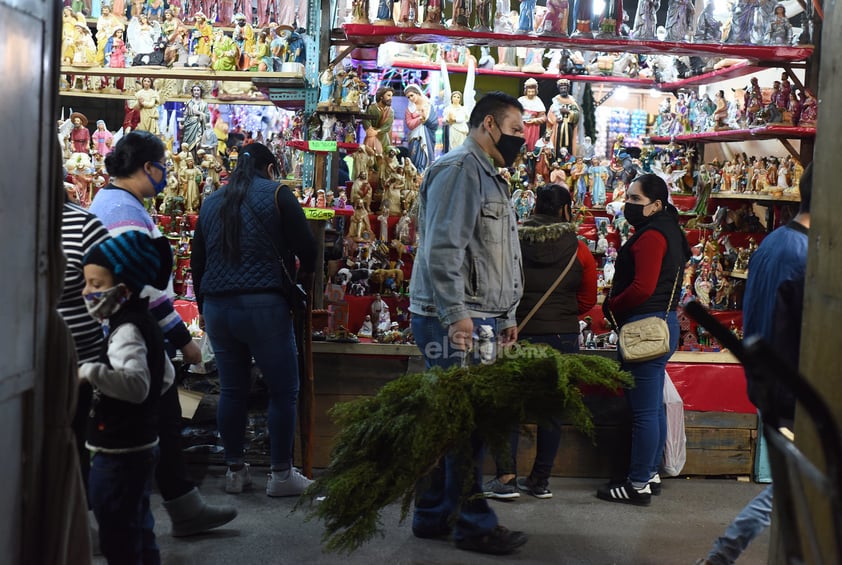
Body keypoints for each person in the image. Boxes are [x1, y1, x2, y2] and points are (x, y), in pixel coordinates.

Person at [89, 130, 237, 536]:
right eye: (164, 168)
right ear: (148, 167)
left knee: (164, 419)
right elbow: (144, 288)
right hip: (130, 334)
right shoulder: (123, 213)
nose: (167, 176)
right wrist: (184, 341)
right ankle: (116, 523)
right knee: (136, 430)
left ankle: (180, 506)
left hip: (129, 333)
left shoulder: (115, 203)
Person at [409, 91, 528, 555]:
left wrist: (507, 315)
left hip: (483, 316)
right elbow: (443, 250)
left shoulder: (491, 176)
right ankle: (474, 522)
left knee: (454, 422)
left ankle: (434, 513)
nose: (523, 139)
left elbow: (500, 255)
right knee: (465, 424)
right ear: (488, 126)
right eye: (516, 129)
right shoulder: (460, 171)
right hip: (455, 318)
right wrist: (457, 315)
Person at [697, 163, 812, 565]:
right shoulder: (805, 252)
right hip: (790, 386)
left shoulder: (775, 242)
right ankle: (721, 555)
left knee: (793, 484)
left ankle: (722, 555)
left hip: (771, 378)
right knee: (792, 483)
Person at [190, 142, 317, 497]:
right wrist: (301, 279)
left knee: (232, 390)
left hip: (218, 307)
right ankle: (280, 475)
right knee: (283, 389)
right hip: (264, 306)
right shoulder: (278, 194)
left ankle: (235, 471)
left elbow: (197, 263)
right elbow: (308, 248)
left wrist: (203, 306)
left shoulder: (212, 201)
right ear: (272, 168)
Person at [483, 184, 597, 500]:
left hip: (518, 332)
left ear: (534, 207)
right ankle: (540, 480)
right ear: (565, 210)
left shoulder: (515, 240)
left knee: (510, 406)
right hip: (563, 336)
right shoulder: (580, 250)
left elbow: (499, 285)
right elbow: (587, 300)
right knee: (551, 408)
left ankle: (506, 477)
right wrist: (561, 314)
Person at [79, 230, 176, 564]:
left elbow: (136, 386)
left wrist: (93, 374)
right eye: (87, 283)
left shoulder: (125, 331)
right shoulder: (144, 321)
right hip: (143, 445)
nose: (87, 292)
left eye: (96, 284)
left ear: (125, 287)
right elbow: (165, 377)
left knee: (117, 530)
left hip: (118, 450)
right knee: (139, 525)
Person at [598, 173, 690, 506]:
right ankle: (649, 474)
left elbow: (643, 288)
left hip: (645, 327)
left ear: (656, 205)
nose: (628, 205)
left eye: (635, 200)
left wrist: (612, 306)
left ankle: (637, 483)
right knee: (652, 408)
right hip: (658, 324)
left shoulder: (653, 236)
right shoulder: (668, 230)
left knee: (644, 411)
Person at [404, 84, 438, 173]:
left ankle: (424, 172)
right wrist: (420, 119)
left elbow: (434, 123)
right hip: (414, 136)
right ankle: (416, 173)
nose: (410, 98)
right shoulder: (409, 109)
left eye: (412, 95)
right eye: (408, 97)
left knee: (425, 154)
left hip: (427, 135)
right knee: (414, 155)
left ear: (417, 93)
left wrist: (426, 119)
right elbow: (409, 124)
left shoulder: (429, 105)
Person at [547, 78, 580, 158]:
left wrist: (568, 112)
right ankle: (558, 158)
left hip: (569, 127)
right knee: (558, 142)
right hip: (558, 127)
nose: (563, 90)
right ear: (559, 89)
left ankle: (568, 159)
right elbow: (549, 117)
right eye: (561, 88)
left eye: (565, 88)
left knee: (569, 143)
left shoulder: (572, 102)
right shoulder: (555, 102)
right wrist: (555, 120)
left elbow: (577, 114)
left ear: (568, 88)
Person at [363, 86, 395, 153]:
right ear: (381, 97)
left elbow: (387, 126)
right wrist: (369, 129)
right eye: (388, 95)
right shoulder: (371, 108)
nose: (391, 98)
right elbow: (366, 120)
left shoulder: (390, 111)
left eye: (391, 96)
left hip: (384, 138)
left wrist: (377, 131)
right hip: (371, 136)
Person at [518, 78, 547, 152]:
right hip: (522, 126)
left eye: (532, 92)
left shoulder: (538, 101)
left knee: (532, 144)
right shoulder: (521, 100)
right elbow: (515, 113)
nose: (530, 93)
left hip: (533, 127)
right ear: (526, 91)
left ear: (535, 91)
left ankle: (530, 159)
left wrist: (535, 120)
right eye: (529, 91)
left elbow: (543, 117)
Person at [182, 84, 210, 158]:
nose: (196, 92)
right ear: (192, 92)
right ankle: (189, 161)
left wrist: (200, 113)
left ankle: (197, 161)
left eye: (198, 90)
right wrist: (183, 122)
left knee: (198, 144)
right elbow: (185, 115)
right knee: (187, 144)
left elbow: (207, 116)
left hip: (199, 125)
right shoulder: (189, 102)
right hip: (189, 125)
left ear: (201, 92)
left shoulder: (204, 103)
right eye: (194, 90)